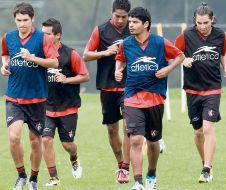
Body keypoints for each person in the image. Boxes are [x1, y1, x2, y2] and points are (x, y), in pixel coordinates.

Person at [115, 7, 185, 190]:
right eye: (130, 22)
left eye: (135, 22)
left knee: (153, 142)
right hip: (131, 98)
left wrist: (167, 70)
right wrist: (117, 69)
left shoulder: (160, 42)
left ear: (146, 24)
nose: (130, 25)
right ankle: (137, 182)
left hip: (154, 98)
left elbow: (180, 55)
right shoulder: (126, 44)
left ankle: (151, 174)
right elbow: (120, 58)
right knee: (136, 139)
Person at [0, 2, 59, 190]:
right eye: (18, 20)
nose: (22, 24)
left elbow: (54, 62)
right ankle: (21, 176)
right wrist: (4, 66)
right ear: (14, 20)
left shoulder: (43, 39)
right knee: (14, 137)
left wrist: (33, 58)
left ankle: (33, 178)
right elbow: (5, 54)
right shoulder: (8, 37)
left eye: (25, 20)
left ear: (32, 19)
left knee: (35, 141)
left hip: (37, 99)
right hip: (14, 97)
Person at [174, 2, 226, 183]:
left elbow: (223, 53)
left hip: (213, 88)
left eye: (206, 23)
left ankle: (206, 169)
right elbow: (175, 52)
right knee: (198, 132)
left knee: (208, 128)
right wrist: (184, 60)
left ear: (212, 20)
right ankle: (205, 163)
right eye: (199, 23)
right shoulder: (186, 36)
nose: (202, 27)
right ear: (195, 21)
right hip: (192, 89)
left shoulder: (221, 35)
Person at [83, 0, 131, 183]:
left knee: (129, 128)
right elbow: (86, 55)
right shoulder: (101, 30)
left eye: (124, 17)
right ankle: (121, 165)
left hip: (129, 85)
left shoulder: (134, 28)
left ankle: (126, 167)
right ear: (112, 13)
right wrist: (105, 52)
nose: (120, 20)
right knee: (112, 129)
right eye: (117, 16)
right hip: (107, 86)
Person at [41, 18, 90, 186]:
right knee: (46, 140)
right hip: (46, 107)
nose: (44, 37)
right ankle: (53, 177)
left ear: (58, 35)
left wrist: (66, 79)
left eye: (47, 34)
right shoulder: (40, 54)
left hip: (68, 107)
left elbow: (85, 76)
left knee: (68, 145)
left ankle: (74, 159)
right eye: (42, 33)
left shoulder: (71, 54)